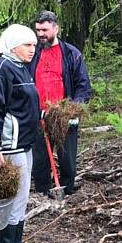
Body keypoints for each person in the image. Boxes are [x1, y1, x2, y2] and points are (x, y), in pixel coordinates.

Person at [0, 24, 40, 243]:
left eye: (34, 45)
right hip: (10, 144)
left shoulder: (21, 68)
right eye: (27, 45)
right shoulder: (2, 69)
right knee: (14, 195)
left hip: (25, 142)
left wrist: (41, 116)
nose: (32, 50)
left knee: (22, 195)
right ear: (13, 45)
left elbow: (23, 103)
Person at [29, 11, 93, 197]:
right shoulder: (32, 53)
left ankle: (68, 191)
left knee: (67, 159)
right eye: (38, 30)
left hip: (64, 115)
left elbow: (83, 86)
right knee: (40, 159)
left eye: (45, 30)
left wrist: (73, 111)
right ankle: (42, 193)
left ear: (55, 28)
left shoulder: (71, 54)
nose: (41, 34)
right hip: (38, 115)